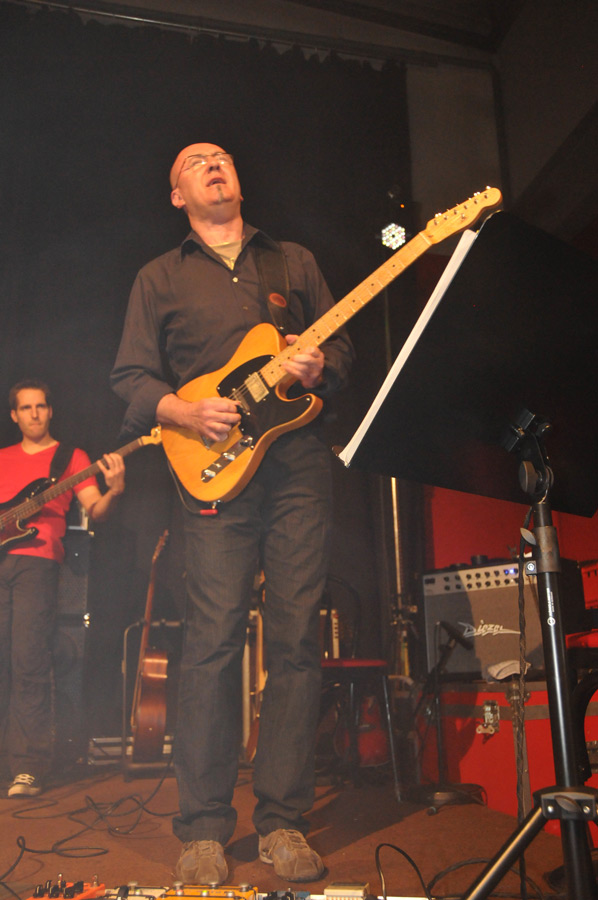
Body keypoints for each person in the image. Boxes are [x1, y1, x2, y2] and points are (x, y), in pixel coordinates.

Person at [111, 143, 354, 884]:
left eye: (221, 156)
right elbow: (131, 378)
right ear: (177, 194)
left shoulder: (293, 262)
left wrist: (322, 364)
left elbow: (342, 350)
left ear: (238, 181)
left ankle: (282, 821)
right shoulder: (159, 276)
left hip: (298, 464)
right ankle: (204, 829)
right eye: (195, 161)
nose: (214, 163)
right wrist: (185, 410)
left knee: (296, 640)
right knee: (212, 642)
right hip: (212, 467)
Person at [0, 379, 125, 798]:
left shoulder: (72, 458)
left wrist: (115, 490)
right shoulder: (2, 458)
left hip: (37, 563)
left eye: (41, 406)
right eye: (26, 407)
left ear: (50, 411)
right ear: (14, 415)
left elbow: (96, 509)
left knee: (29, 660)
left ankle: (28, 766)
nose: (34, 414)